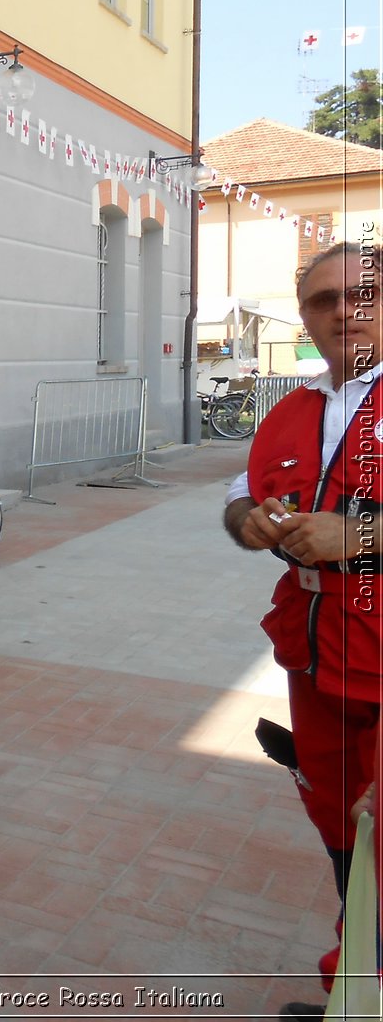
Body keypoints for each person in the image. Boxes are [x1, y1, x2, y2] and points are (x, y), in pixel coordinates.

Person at [224, 243, 383, 1019]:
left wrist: (356, 536)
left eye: (361, 295)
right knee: (338, 824)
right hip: (314, 648)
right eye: (323, 300)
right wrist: (249, 523)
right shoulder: (292, 408)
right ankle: (352, 994)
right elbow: (235, 497)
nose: (343, 311)